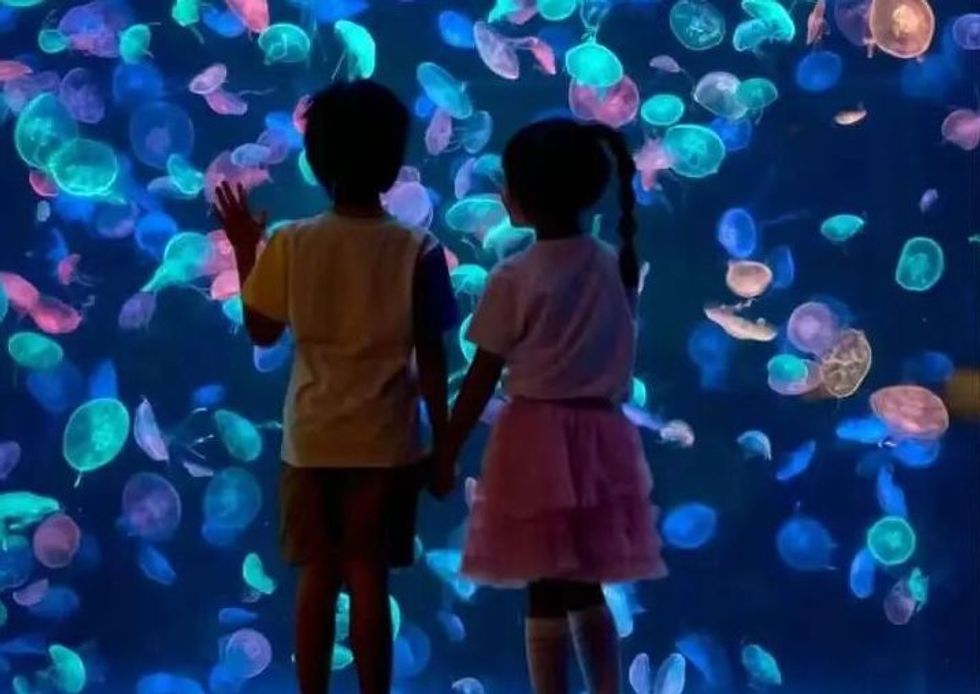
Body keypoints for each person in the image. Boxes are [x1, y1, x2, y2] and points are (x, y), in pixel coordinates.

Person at [212, 80, 458, 694]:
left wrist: (247, 249)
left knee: (317, 578)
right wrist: (444, 442)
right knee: (370, 578)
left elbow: (263, 331)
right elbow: (432, 355)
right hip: (386, 442)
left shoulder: (293, 242)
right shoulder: (419, 248)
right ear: (393, 162)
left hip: (312, 440)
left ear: (316, 162)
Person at [438, 119, 668, 694]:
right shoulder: (618, 265)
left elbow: (481, 376)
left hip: (535, 438)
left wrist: (445, 446)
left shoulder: (513, 277)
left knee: (542, 583)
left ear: (520, 198)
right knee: (586, 580)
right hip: (600, 436)